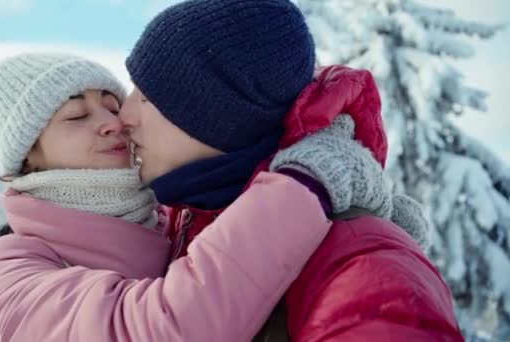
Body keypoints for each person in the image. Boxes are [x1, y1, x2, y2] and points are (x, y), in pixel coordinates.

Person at [0, 52, 380, 342]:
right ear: (28, 159)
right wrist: (300, 185)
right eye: (76, 115)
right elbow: (157, 330)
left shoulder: (176, 222)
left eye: (112, 105)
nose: (111, 123)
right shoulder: (7, 272)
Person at [119, 0, 464, 340]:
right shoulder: (172, 225)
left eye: (148, 98)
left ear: (220, 117)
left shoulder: (365, 267)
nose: (123, 117)